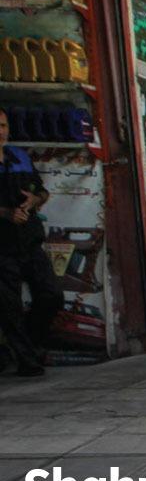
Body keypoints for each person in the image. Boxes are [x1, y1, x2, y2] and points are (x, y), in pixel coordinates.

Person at [0, 110, 62, 377]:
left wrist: (35, 201)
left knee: (51, 295)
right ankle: (27, 360)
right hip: (2, 247)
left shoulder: (19, 156)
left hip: (30, 241)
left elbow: (42, 191)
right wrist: (5, 213)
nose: (0, 131)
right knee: (9, 306)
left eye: (2, 125)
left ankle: (27, 345)